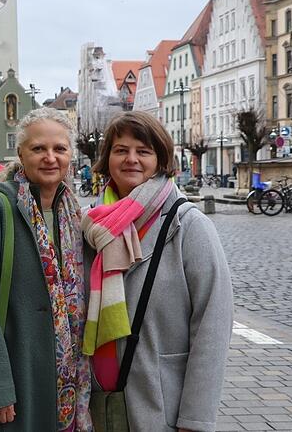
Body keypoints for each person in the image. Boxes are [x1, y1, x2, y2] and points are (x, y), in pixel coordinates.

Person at [82, 111, 232, 432]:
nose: (131, 159)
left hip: (159, 406)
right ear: (107, 157)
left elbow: (212, 325)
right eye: (120, 150)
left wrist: (195, 418)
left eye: (143, 151)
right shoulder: (91, 224)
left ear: (160, 158)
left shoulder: (189, 225)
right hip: (93, 407)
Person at [0, 108, 92, 431]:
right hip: (14, 380)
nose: (50, 157)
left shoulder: (74, 216)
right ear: (20, 154)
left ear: (71, 154)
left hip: (66, 386)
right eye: (39, 148)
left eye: (60, 149)